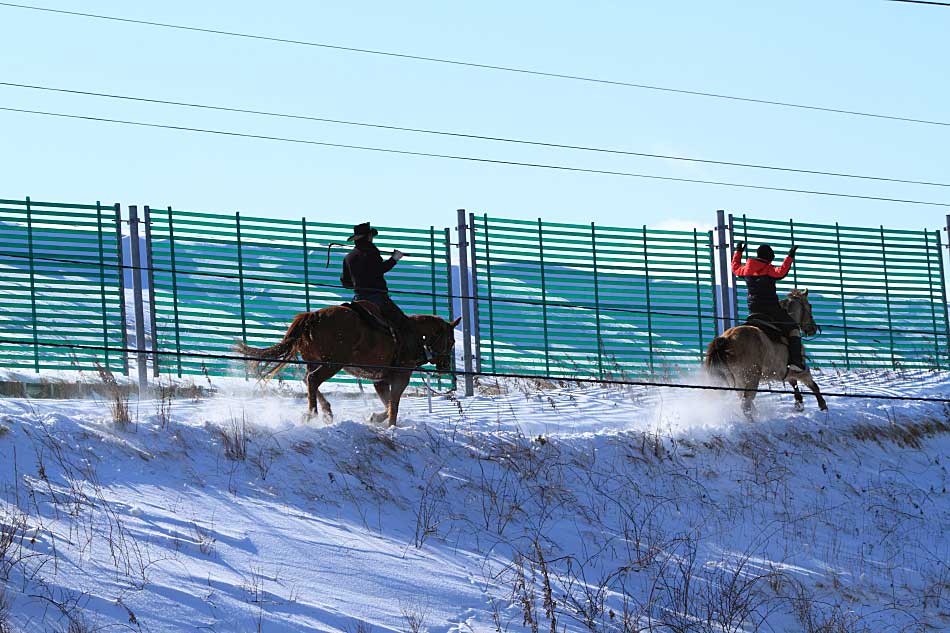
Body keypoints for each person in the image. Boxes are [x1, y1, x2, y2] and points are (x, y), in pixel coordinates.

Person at [340, 222, 426, 364]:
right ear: (368, 237)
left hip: (358, 299)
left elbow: (345, 283)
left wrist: (359, 280)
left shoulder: (349, 257)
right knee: (404, 323)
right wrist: (394, 259)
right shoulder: (372, 251)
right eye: (371, 236)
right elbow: (379, 269)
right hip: (377, 298)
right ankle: (415, 357)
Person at [731, 242, 806, 372]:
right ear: (769, 257)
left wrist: (738, 251)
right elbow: (782, 271)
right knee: (793, 328)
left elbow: (735, 267)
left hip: (753, 309)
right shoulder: (769, 269)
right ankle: (796, 362)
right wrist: (790, 255)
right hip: (771, 309)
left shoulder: (746, 270)